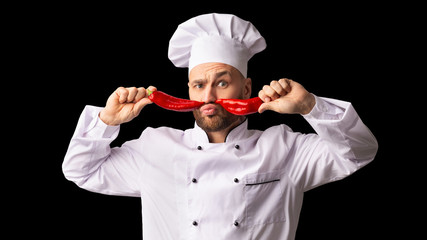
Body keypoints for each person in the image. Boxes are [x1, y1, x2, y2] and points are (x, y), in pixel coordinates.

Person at [63, 13, 378, 240]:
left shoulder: (285, 148)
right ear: (188, 90)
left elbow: (359, 152)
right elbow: (80, 170)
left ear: (246, 88)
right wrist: (106, 122)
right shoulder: (154, 147)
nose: (209, 96)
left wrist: (311, 105)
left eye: (222, 82)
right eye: (198, 85)